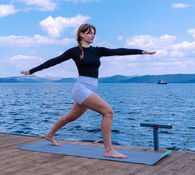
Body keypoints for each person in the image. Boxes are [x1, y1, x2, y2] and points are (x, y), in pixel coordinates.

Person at [21, 24, 156, 158]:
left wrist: (141, 51)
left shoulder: (98, 51)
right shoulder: (74, 51)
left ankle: (49, 135)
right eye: (90, 33)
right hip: (81, 89)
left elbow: (119, 51)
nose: (93, 36)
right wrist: (31, 71)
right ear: (81, 34)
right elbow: (53, 61)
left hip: (89, 88)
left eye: (94, 34)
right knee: (108, 112)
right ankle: (109, 150)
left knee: (71, 117)